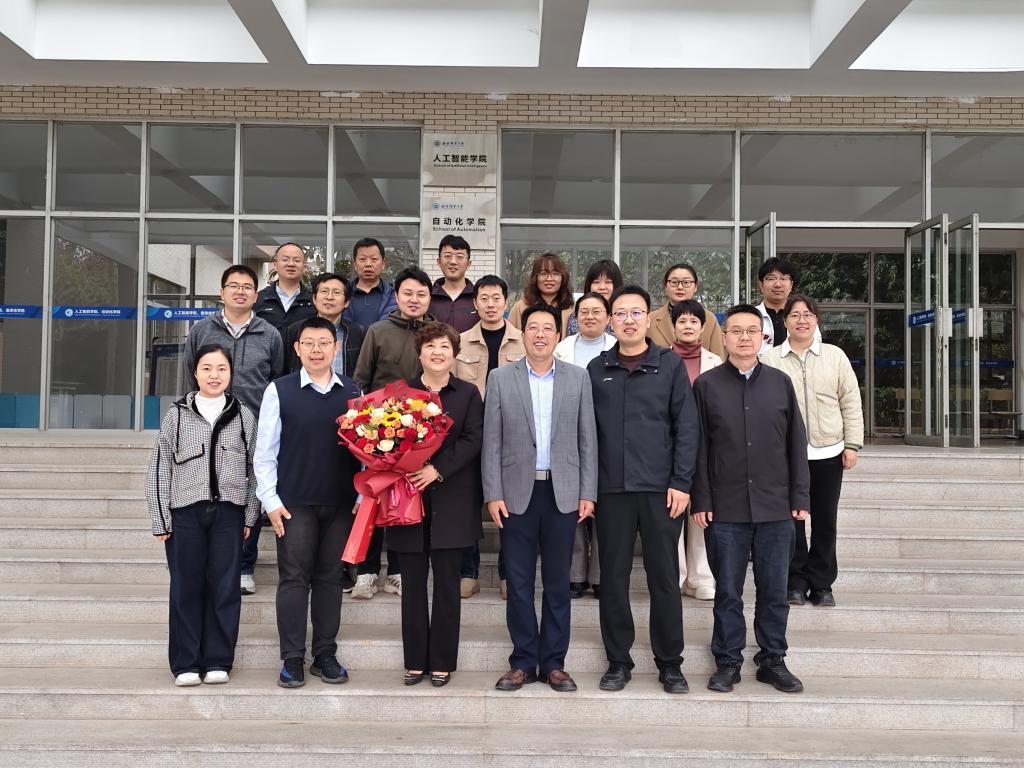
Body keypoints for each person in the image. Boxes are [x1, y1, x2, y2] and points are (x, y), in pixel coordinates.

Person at [691, 304, 810, 695]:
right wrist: (701, 499)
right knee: (728, 592)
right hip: (725, 508)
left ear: (763, 338)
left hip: (776, 506)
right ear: (724, 337)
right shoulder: (706, 386)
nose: (744, 337)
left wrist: (800, 495)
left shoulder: (780, 383)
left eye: (751, 331)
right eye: (736, 331)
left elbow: (796, 444)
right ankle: (728, 661)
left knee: (774, 592)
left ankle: (772, 660)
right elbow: (698, 448)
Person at [587, 285, 699, 695]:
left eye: (636, 312)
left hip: (660, 491)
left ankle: (670, 663)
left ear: (648, 319)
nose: (629, 320)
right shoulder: (597, 369)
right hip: (611, 491)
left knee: (664, 579)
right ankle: (619, 661)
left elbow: (687, 428)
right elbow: (586, 434)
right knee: (613, 579)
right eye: (621, 313)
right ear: (610, 322)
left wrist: (681, 483)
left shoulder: (669, 365)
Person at [483, 304, 598, 694]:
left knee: (557, 582)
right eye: (533, 327)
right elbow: (491, 441)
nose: (540, 334)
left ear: (557, 335)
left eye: (548, 328)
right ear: (523, 333)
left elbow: (588, 439)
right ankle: (521, 662)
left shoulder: (578, 378)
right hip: (516, 494)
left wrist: (588, 491)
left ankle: (553, 664)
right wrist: (493, 493)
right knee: (518, 582)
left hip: (563, 493)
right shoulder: (501, 378)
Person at [255, 316, 362, 689]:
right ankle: (291, 658)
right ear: (297, 349)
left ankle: (325, 655)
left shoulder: (353, 391)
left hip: (341, 502)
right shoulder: (279, 390)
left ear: (336, 348)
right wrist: (270, 501)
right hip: (294, 504)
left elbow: (365, 451)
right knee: (294, 579)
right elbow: (264, 453)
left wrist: (363, 495)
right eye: (309, 343)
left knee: (330, 578)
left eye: (324, 343)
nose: (317, 350)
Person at [146, 345, 259, 687]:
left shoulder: (243, 416)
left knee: (225, 588)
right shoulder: (177, 415)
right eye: (207, 368)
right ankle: (186, 663)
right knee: (186, 588)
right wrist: (160, 518)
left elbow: (256, 470)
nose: (214, 375)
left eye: (221, 368)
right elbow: (159, 467)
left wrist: (250, 517)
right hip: (185, 514)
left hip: (229, 514)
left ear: (230, 373)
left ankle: (218, 660)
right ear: (195, 373)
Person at [389, 322, 483, 687]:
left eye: (444, 346)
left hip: (452, 499)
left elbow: (473, 438)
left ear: (454, 353)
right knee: (412, 584)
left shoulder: (468, 394)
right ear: (419, 353)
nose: (437, 352)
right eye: (430, 346)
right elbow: (388, 439)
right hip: (409, 497)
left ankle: (442, 661)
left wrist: (437, 469)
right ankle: (415, 660)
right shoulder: (401, 393)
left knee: (447, 585)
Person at [184, 264, 285, 597]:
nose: (240, 292)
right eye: (234, 286)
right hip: (210, 425)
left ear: (256, 295)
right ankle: (210, 563)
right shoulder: (201, 330)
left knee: (248, 495)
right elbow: (190, 376)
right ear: (222, 292)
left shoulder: (269, 334)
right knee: (211, 492)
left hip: (253, 426)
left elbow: (276, 380)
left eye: (247, 287)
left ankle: (243, 567)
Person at [761, 295, 863, 608]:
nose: (801, 320)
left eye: (808, 314)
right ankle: (794, 582)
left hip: (829, 452)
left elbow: (850, 401)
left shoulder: (834, 356)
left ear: (817, 320)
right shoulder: (771, 359)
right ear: (785, 321)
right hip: (787, 456)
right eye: (795, 315)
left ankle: (822, 584)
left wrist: (852, 444)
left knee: (825, 521)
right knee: (792, 522)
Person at [352, 266, 436, 600]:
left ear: (429, 298)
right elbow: (361, 380)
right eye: (408, 293)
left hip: (420, 434)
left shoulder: (436, 333)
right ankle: (367, 571)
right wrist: (365, 429)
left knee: (407, 501)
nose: (415, 299)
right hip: (378, 432)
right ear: (397, 296)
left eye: (421, 294)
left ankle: (398, 572)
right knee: (373, 500)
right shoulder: (378, 331)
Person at [455, 275, 525, 599]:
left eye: (496, 298)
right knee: (467, 505)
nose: (490, 304)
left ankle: (508, 574)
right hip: (470, 436)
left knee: (510, 506)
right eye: (484, 298)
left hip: (512, 436)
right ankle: (468, 572)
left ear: (506, 302)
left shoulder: (523, 341)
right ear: (475, 303)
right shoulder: (459, 342)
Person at [554, 292, 615, 600]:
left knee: (605, 507)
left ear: (608, 318)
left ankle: (601, 575)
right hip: (568, 434)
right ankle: (575, 574)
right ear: (575, 317)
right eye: (584, 312)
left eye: (597, 311)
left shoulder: (618, 348)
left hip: (608, 435)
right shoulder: (561, 349)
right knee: (572, 503)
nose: (590, 316)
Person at [668, 300, 723, 601]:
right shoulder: (662, 360)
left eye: (694, 321)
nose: (688, 326)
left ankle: (700, 577)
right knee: (673, 512)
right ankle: (676, 577)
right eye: (682, 321)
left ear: (703, 327)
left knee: (701, 512)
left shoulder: (716, 362)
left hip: (706, 447)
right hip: (670, 448)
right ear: (673, 326)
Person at [284, 272, 365, 378]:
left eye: (336, 292)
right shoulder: (295, 331)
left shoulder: (358, 332)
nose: (329, 297)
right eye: (324, 291)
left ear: (346, 302)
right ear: (314, 298)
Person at [648, 263, 726, 360]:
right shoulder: (650, 320)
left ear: (696, 286)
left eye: (686, 282)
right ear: (665, 285)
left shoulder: (709, 319)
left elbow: (718, 357)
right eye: (674, 282)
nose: (680, 287)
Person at [754, 257, 820, 354]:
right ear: (761, 285)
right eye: (771, 278)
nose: (778, 284)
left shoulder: (805, 319)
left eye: (783, 278)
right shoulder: (751, 317)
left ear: (791, 285)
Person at [506, 253, 574, 340]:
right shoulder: (520, 308)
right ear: (535, 277)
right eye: (543, 273)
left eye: (555, 274)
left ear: (563, 278)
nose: (549, 279)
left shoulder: (572, 309)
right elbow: (510, 340)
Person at [253, 243, 316, 331]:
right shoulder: (258, 298)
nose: (291, 264)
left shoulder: (314, 300)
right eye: (285, 259)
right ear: (275, 265)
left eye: (297, 260)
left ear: (304, 266)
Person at [343, 237, 398, 330]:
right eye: (362, 259)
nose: (368, 264)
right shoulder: (343, 294)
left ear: (383, 264)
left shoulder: (395, 295)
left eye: (374, 259)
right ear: (355, 264)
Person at [428, 235, 477, 332]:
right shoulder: (428, 297)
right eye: (447, 256)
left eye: (459, 257)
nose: (453, 262)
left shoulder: (478, 297)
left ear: (468, 264)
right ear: (439, 262)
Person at [564, 259, 623, 336]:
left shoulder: (626, 315)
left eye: (608, 282)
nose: (602, 287)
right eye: (596, 282)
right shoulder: (578, 316)